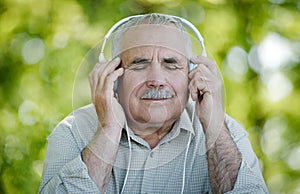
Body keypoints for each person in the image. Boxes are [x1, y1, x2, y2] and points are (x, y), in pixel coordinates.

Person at [39, 13, 268, 194]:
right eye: (139, 64)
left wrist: (214, 125)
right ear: (113, 75)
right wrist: (108, 129)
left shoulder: (227, 134)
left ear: (192, 74)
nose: (157, 81)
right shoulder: (72, 134)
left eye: (171, 64)